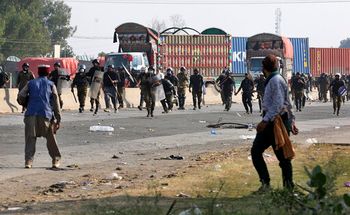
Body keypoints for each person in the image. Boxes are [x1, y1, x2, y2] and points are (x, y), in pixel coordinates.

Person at [251, 54, 298, 192]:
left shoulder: (275, 80)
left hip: (275, 122)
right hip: (273, 120)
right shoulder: (275, 79)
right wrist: (293, 120)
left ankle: (288, 188)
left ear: (263, 68)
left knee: (283, 158)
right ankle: (265, 184)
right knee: (256, 151)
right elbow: (288, 102)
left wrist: (265, 121)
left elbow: (278, 104)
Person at [17, 65, 61, 169]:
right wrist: (58, 119)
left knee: (30, 139)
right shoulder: (51, 84)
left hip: (31, 114)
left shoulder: (30, 83)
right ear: (48, 73)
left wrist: (25, 103)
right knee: (51, 138)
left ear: (38, 73)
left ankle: (28, 161)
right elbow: (56, 103)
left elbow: (21, 96)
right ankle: (55, 159)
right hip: (45, 114)